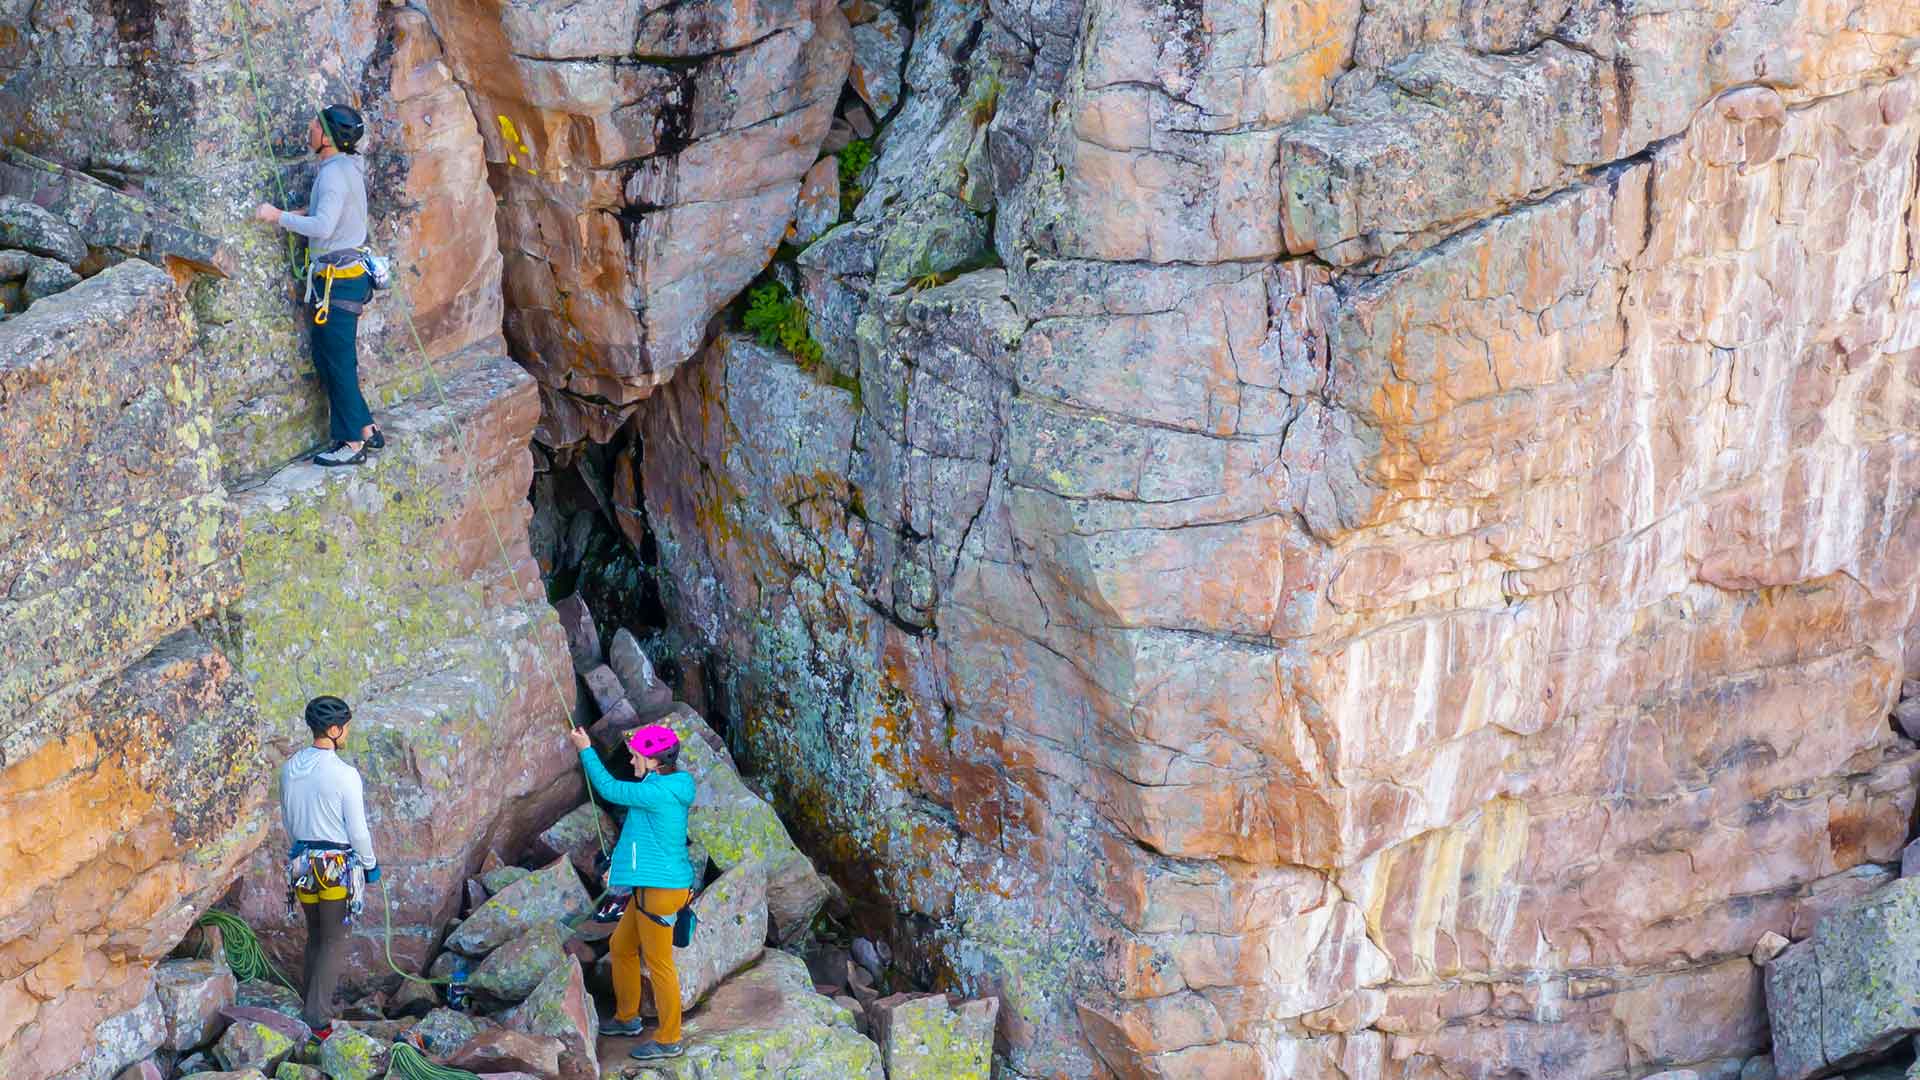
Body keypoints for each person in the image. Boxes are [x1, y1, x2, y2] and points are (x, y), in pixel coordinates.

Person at [253, 103, 386, 467]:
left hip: (337, 284)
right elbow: (333, 215)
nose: (309, 129)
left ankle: (350, 443)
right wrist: (300, 216)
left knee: (336, 363)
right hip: (347, 278)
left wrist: (278, 217)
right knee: (335, 360)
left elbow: (324, 228)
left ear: (327, 138)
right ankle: (366, 428)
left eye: (315, 126)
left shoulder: (331, 176)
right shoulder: (346, 165)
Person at [568, 723, 697, 1060]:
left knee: (660, 964)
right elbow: (641, 837)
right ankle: (627, 1017)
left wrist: (585, 748)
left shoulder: (656, 792)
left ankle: (669, 1038)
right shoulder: (662, 786)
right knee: (621, 946)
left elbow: (609, 789)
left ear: (654, 761)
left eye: (636, 755)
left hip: (662, 892)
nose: (632, 761)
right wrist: (620, 869)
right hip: (652, 888)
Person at [282, 695, 380, 1037]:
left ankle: (309, 1004)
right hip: (335, 866)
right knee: (334, 941)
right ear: (335, 729)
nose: (349, 732)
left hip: (302, 863)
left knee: (316, 937)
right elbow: (357, 830)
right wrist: (370, 866)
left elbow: (289, 820)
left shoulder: (290, 767)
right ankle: (318, 1019)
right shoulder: (344, 774)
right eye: (347, 727)